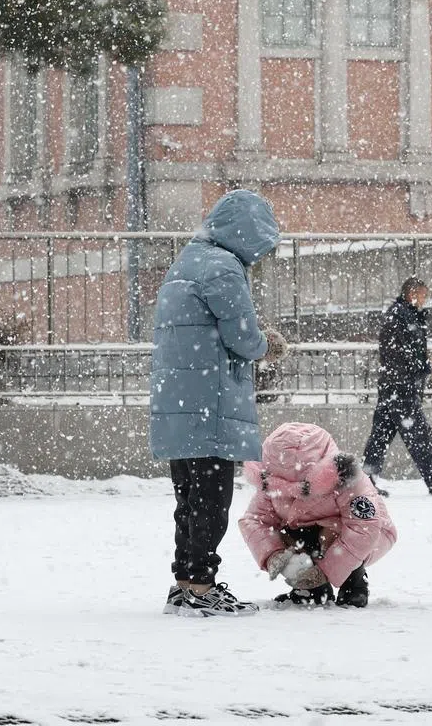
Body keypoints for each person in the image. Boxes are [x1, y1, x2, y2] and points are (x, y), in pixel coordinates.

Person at [150, 189, 288, 618]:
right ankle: (203, 587)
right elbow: (243, 337)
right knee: (212, 501)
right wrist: (270, 346)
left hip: (179, 402)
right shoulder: (223, 267)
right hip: (210, 402)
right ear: (246, 232)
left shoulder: (185, 262)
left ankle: (185, 583)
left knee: (188, 500)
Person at [239, 422, 397, 607]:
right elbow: (255, 521)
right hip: (305, 532)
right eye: (281, 483)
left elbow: (364, 527)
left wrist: (325, 573)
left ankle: (354, 581)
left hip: (369, 535)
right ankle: (309, 588)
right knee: (284, 537)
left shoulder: (348, 479)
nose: (288, 491)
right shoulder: (270, 482)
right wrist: (277, 556)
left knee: (334, 534)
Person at [360, 277, 432, 495]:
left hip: (393, 385)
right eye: (422, 295)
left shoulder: (403, 315)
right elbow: (401, 352)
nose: (424, 300)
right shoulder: (400, 316)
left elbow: (403, 351)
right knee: (419, 435)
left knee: (380, 435)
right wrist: (420, 368)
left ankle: (364, 483)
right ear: (411, 294)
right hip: (401, 386)